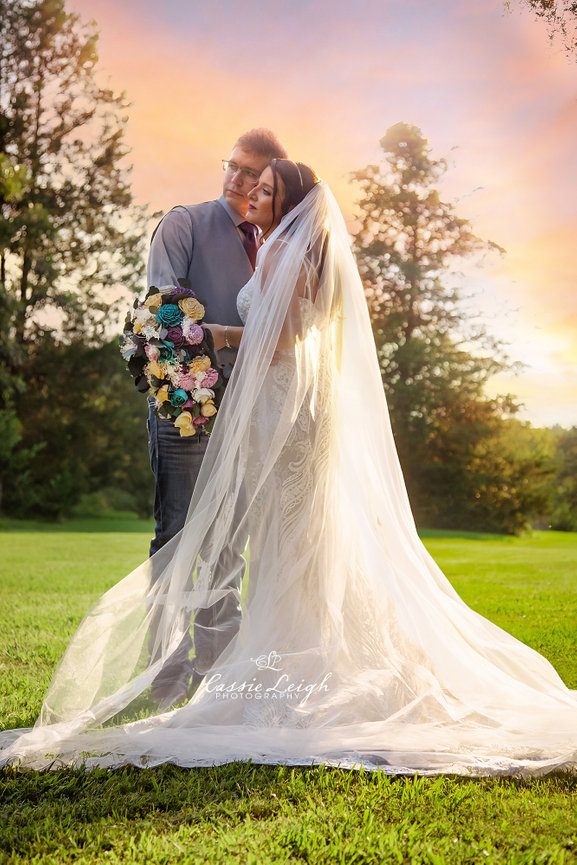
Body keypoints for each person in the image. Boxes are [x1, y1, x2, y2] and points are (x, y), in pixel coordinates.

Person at [1, 161, 577, 775]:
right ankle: (307, 653)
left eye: (268, 189)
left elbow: (277, 338)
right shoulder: (314, 257)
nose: (255, 193)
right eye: (254, 184)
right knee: (301, 535)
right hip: (303, 404)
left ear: (288, 203)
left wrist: (215, 336)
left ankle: (294, 666)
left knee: (285, 535)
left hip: (282, 403)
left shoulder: (278, 253)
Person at [145, 129, 287, 709]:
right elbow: (164, 312)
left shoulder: (280, 241)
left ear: (268, 183)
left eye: (250, 173)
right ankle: (163, 676)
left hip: (250, 409)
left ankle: (218, 679)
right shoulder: (182, 225)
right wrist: (232, 340)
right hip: (185, 401)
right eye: (231, 165)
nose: (235, 179)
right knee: (178, 535)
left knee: (231, 542)